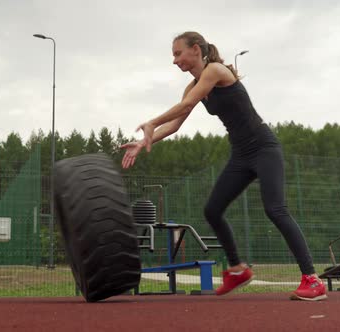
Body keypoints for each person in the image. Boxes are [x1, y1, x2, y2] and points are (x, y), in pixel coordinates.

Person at [120, 31, 327, 301]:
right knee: (212, 210)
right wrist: (145, 139)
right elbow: (177, 122)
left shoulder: (215, 70)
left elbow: (187, 104)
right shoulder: (193, 85)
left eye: (177, 53)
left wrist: (151, 122)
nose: (174, 61)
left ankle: (312, 279)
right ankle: (238, 269)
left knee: (275, 209)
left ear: (195, 49)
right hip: (241, 154)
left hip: (264, 147)